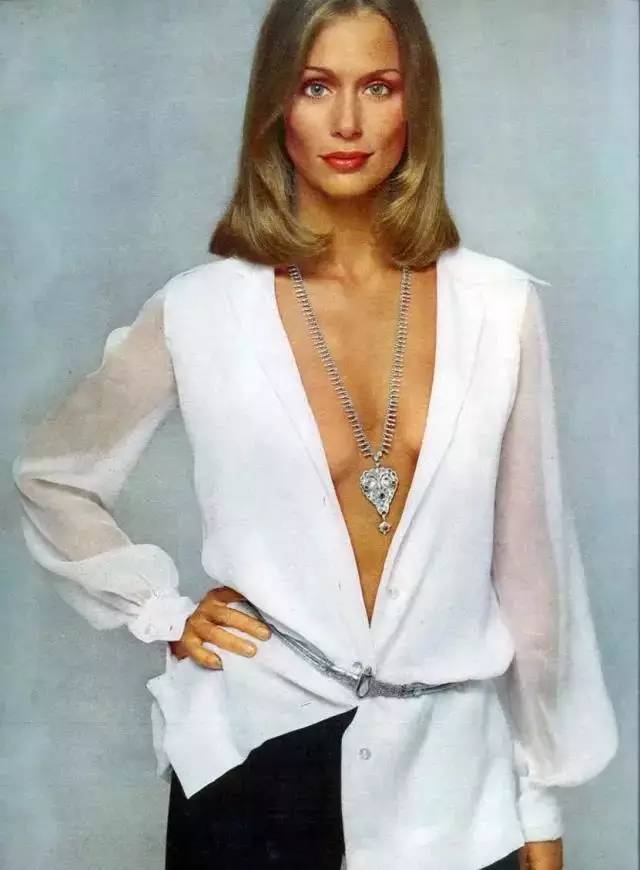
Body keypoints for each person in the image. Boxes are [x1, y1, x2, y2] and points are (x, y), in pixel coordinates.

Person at [12, 1, 618, 869]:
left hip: (453, 794)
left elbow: (534, 576)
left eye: (379, 87)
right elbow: (53, 475)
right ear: (275, 107)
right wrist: (159, 610)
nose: (347, 123)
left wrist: (539, 801)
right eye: (315, 87)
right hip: (255, 770)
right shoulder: (201, 310)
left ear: (416, 103)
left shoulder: (499, 308)